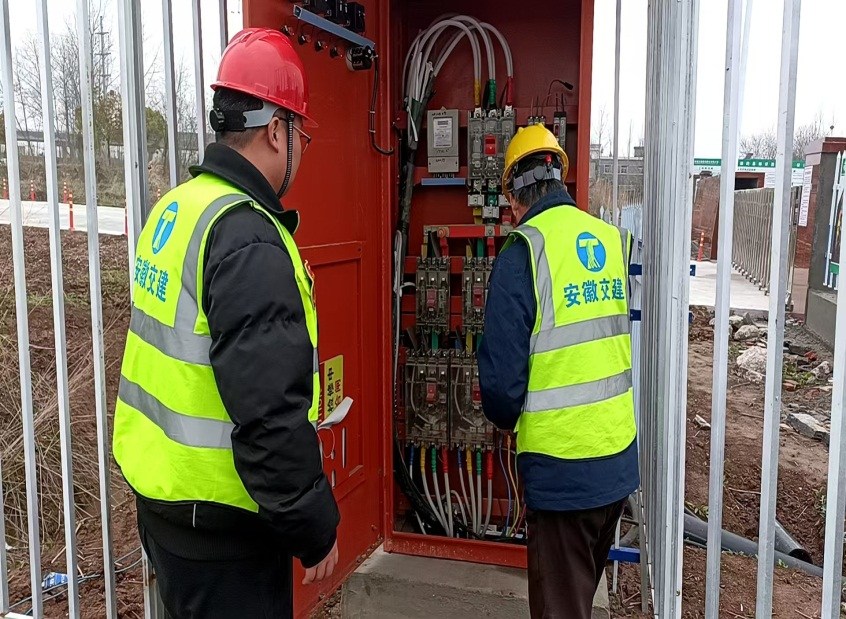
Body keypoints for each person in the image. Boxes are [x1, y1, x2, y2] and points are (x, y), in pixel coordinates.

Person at [112, 28, 339, 619]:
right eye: (301, 136)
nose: (300, 151)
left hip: (165, 506)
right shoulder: (246, 235)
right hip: (225, 534)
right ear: (276, 130)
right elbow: (269, 412)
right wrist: (314, 525)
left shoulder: (177, 207)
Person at [478, 124, 639, 619]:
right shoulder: (611, 240)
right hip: (616, 464)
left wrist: (507, 418)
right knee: (577, 599)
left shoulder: (523, 252)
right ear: (560, 179)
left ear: (513, 195)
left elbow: (501, 389)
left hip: (563, 474)